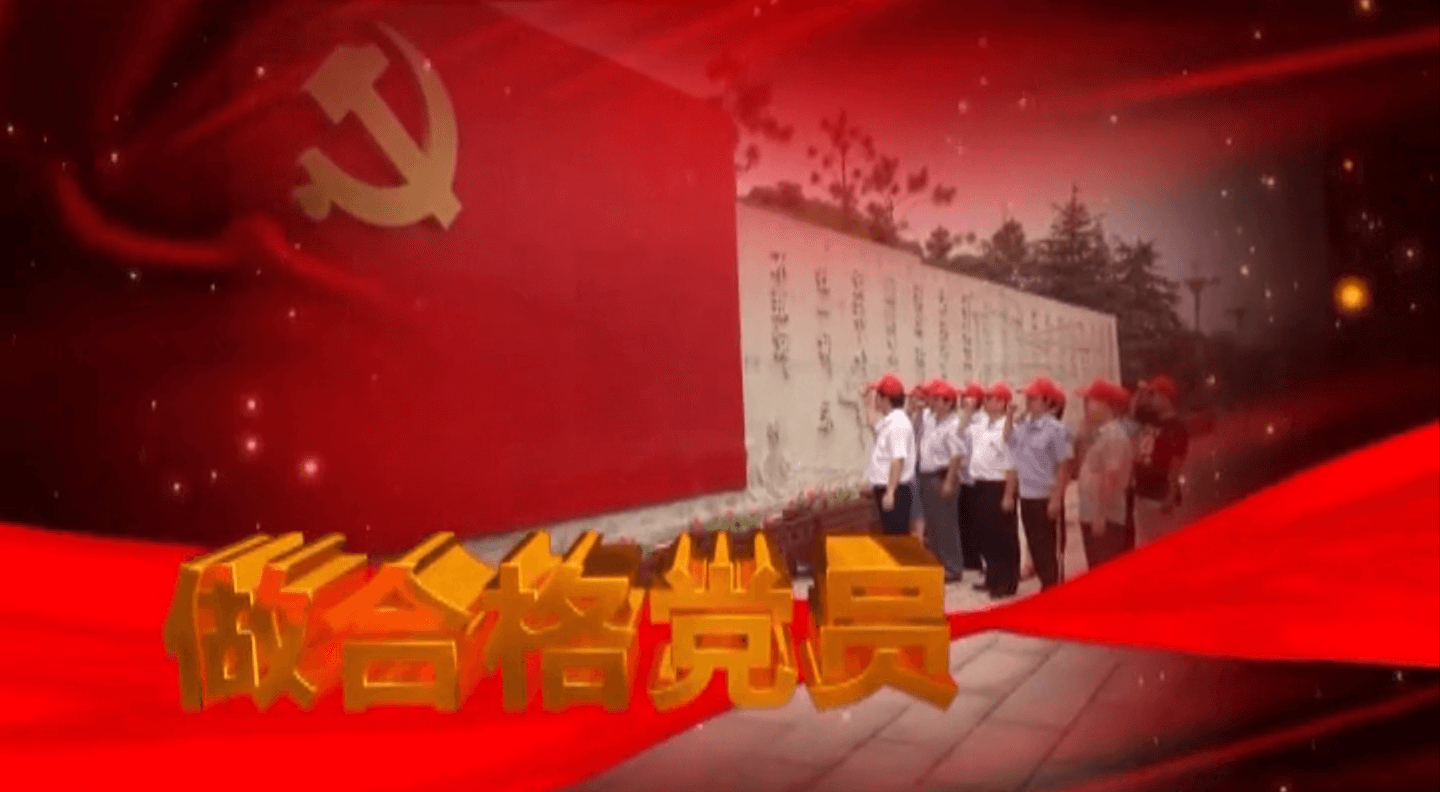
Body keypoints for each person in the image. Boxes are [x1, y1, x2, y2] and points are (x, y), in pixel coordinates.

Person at [1007, 376, 1071, 589]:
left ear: (1047, 401)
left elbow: (1064, 465)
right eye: (1027, 398)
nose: (1028, 402)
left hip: (1046, 496)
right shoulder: (1023, 426)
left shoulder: (1056, 429)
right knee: (1035, 548)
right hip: (1027, 496)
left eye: (1033, 398)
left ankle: (1054, 592)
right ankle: (1046, 587)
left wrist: (1056, 498)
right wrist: (1010, 417)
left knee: (1050, 550)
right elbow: (1008, 441)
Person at [1074, 377, 1136, 570]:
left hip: (1107, 519)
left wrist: (1100, 515)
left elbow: (1110, 477)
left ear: (1105, 405)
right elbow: (1085, 467)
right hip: (1091, 515)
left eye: (1090, 401)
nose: (1085, 406)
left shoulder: (1114, 436)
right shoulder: (1100, 434)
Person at [966, 380, 1020, 599]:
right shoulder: (982, 424)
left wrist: (1008, 494)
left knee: (1002, 536)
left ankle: (1007, 582)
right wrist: (968, 407)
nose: (984, 402)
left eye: (989, 398)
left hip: (999, 485)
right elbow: (963, 428)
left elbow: (1012, 464)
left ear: (1001, 402)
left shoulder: (1008, 429)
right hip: (980, 484)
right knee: (985, 534)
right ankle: (992, 577)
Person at [916, 380, 966, 581]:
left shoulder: (954, 425)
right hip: (926, 475)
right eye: (933, 399)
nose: (933, 403)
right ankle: (939, 564)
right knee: (933, 524)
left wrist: (949, 482)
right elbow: (916, 432)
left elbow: (956, 455)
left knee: (946, 523)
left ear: (948, 403)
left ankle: (953, 566)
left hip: (942, 475)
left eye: (937, 400)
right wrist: (919, 410)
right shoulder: (929, 418)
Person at [1131, 374, 1190, 545]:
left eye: (1154, 394)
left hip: (1161, 497)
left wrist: (1171, 494)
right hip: (1142, 494)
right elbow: (1133, 412)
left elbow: (1176, 463)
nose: (1152, 399)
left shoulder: (1176, 427)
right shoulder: (1150, 417)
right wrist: (1141, 392)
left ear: (1165, 397)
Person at [862, 373, 918, 535]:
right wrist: (867, 401)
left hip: (895, 490)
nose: (875, 400)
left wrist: (890, 492)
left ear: (886, 399)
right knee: (891, 535)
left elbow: (897, 459)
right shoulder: (890, 421)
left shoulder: (898, 424)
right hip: (888, 488)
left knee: (896, 537)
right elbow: (871, 424)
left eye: (877, 396)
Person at [957, 380, 986, 575]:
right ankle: (969, 558)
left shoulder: (981, 422)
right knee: (964, 519)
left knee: (977, 521)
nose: (962, 401)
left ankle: (978, 559)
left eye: (966, 397)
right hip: (963, 479)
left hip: (976, 478)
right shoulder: (964, 419)